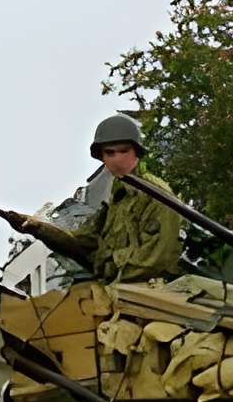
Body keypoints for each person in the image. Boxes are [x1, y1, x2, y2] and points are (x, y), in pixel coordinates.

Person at [13, 114, 182, 286]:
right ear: (102, 158)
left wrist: (107, 271)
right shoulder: (117, 199)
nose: (117, 159)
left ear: (136, 153)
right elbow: (83, 243)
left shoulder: (156, 194)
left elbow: (154, 260)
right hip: (116, 289)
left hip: (147, 291)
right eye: (110, 153)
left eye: (124, 151)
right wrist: (38, 228)